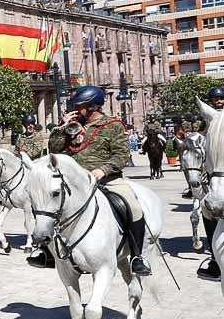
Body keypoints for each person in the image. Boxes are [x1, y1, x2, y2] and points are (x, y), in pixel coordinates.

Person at [48, 85, 152, 276]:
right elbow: (54, 149)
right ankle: (45, 251)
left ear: (92, 106)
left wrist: (102, 170)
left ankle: (137, 256)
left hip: (107, 179)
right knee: (48, 204)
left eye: (79, 106)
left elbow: (121, 155)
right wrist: (62, 127)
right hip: (75, 182)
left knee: (133, 207)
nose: (77, 109)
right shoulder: (73, 125)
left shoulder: (113, 125)